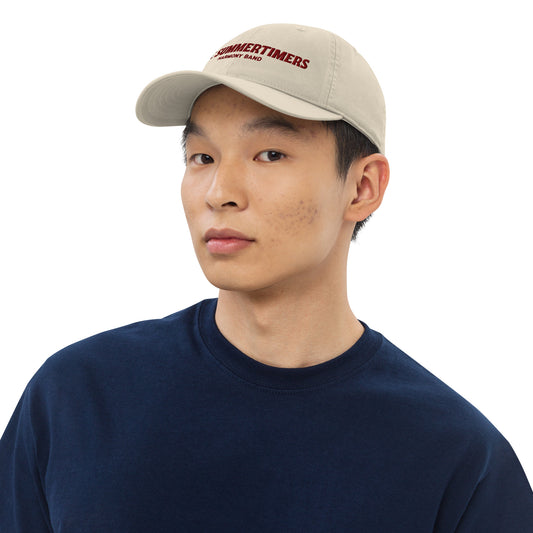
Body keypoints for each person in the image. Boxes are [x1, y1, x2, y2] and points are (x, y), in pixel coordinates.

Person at [0, 22, 532, 532]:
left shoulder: (458, 462)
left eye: (269, 154)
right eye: (202, 157)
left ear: (362, 187)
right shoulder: (77, 399)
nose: (219, 192)